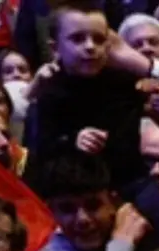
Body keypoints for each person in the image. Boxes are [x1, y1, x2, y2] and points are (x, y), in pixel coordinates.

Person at [23, 3, 148, 194]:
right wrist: (72, 141)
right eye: (77, 39)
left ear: (109, 46)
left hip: (126, 186)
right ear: (55, 48)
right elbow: (39, 154)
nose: (90, 47)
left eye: (98, 39)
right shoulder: (48, 90)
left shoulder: (126, 84)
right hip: (69, 192)